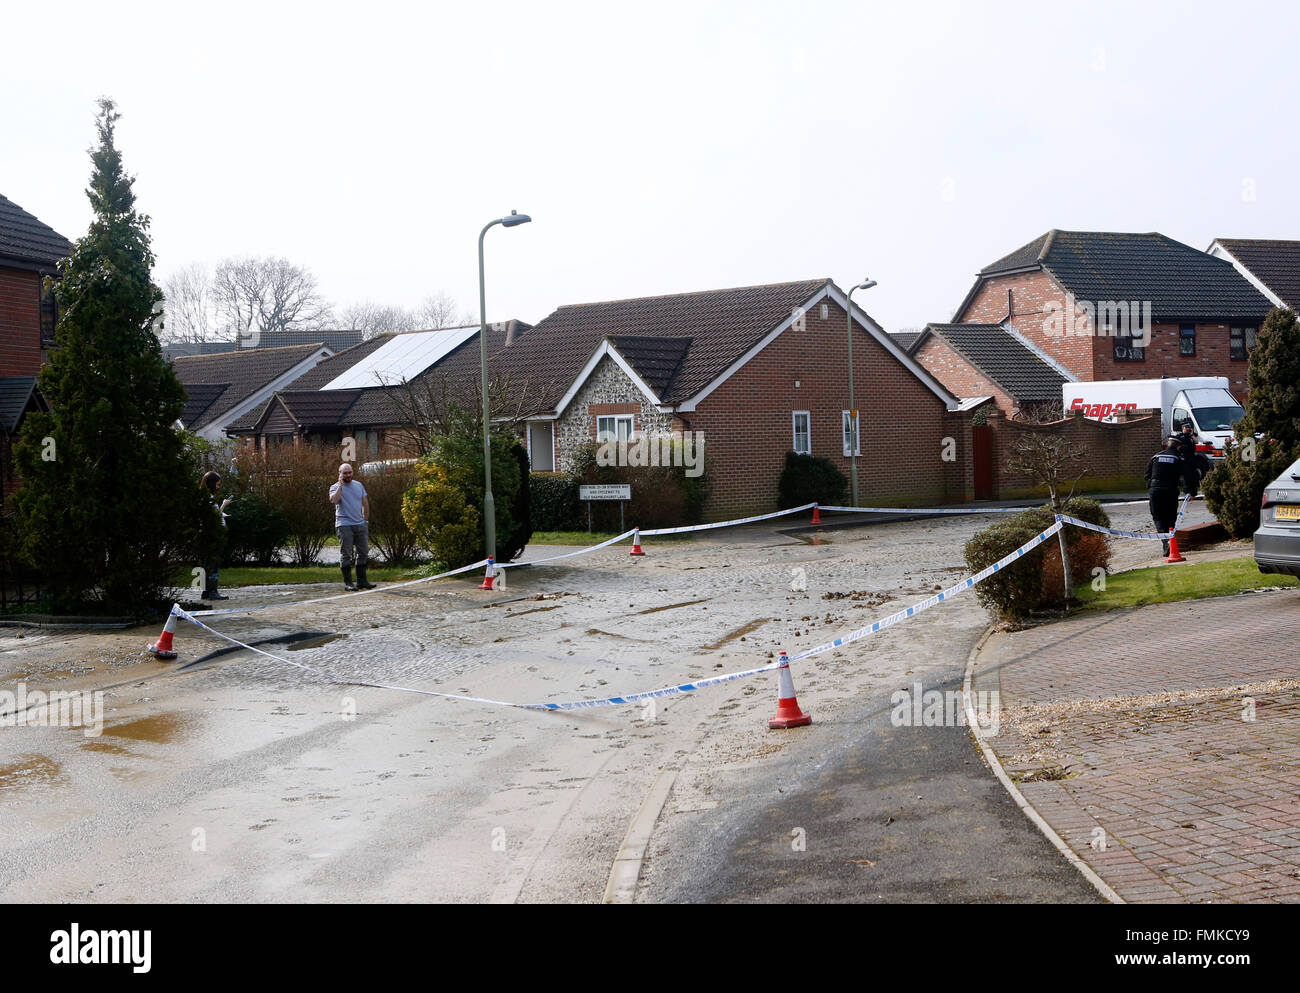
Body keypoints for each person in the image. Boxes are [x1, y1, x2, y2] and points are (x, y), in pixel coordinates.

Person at [1145, 435, 1198, 556]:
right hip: (1170, 490)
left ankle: (1166, 542)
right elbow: (1188, 476)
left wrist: (1151, 487)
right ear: (1179, 447)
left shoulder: (1156, 456)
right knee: (1170, 517)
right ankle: (1170, 541)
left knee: (1158, 517)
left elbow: (1147, 474)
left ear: (1168, 444)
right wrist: (1190, 492)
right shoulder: (1179, 458)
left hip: (1155, 490)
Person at [329, 462, 376, 590]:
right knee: (346, 554)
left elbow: (365, 503)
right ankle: (349, 583)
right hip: (344, 525)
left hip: (360, 524)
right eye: (345, 473)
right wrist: (340, 486)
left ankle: (362, 581)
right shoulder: (334, 487)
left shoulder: (358, 485)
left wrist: (365, 520)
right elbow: (334, 500)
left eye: (350, 472)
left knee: (363, 553)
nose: (348, 475)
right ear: (340, 474)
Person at [200, 471, 232, 600]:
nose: (218, 487)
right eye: (217, 485)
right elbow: (213, 516)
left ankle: (206, 592)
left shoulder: (204, 497)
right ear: (212, 484)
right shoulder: (208, 498)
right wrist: (223, 506)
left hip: (208, 534)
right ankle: (213, 592)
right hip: (212, 535)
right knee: (213, 564)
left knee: (207, 563)